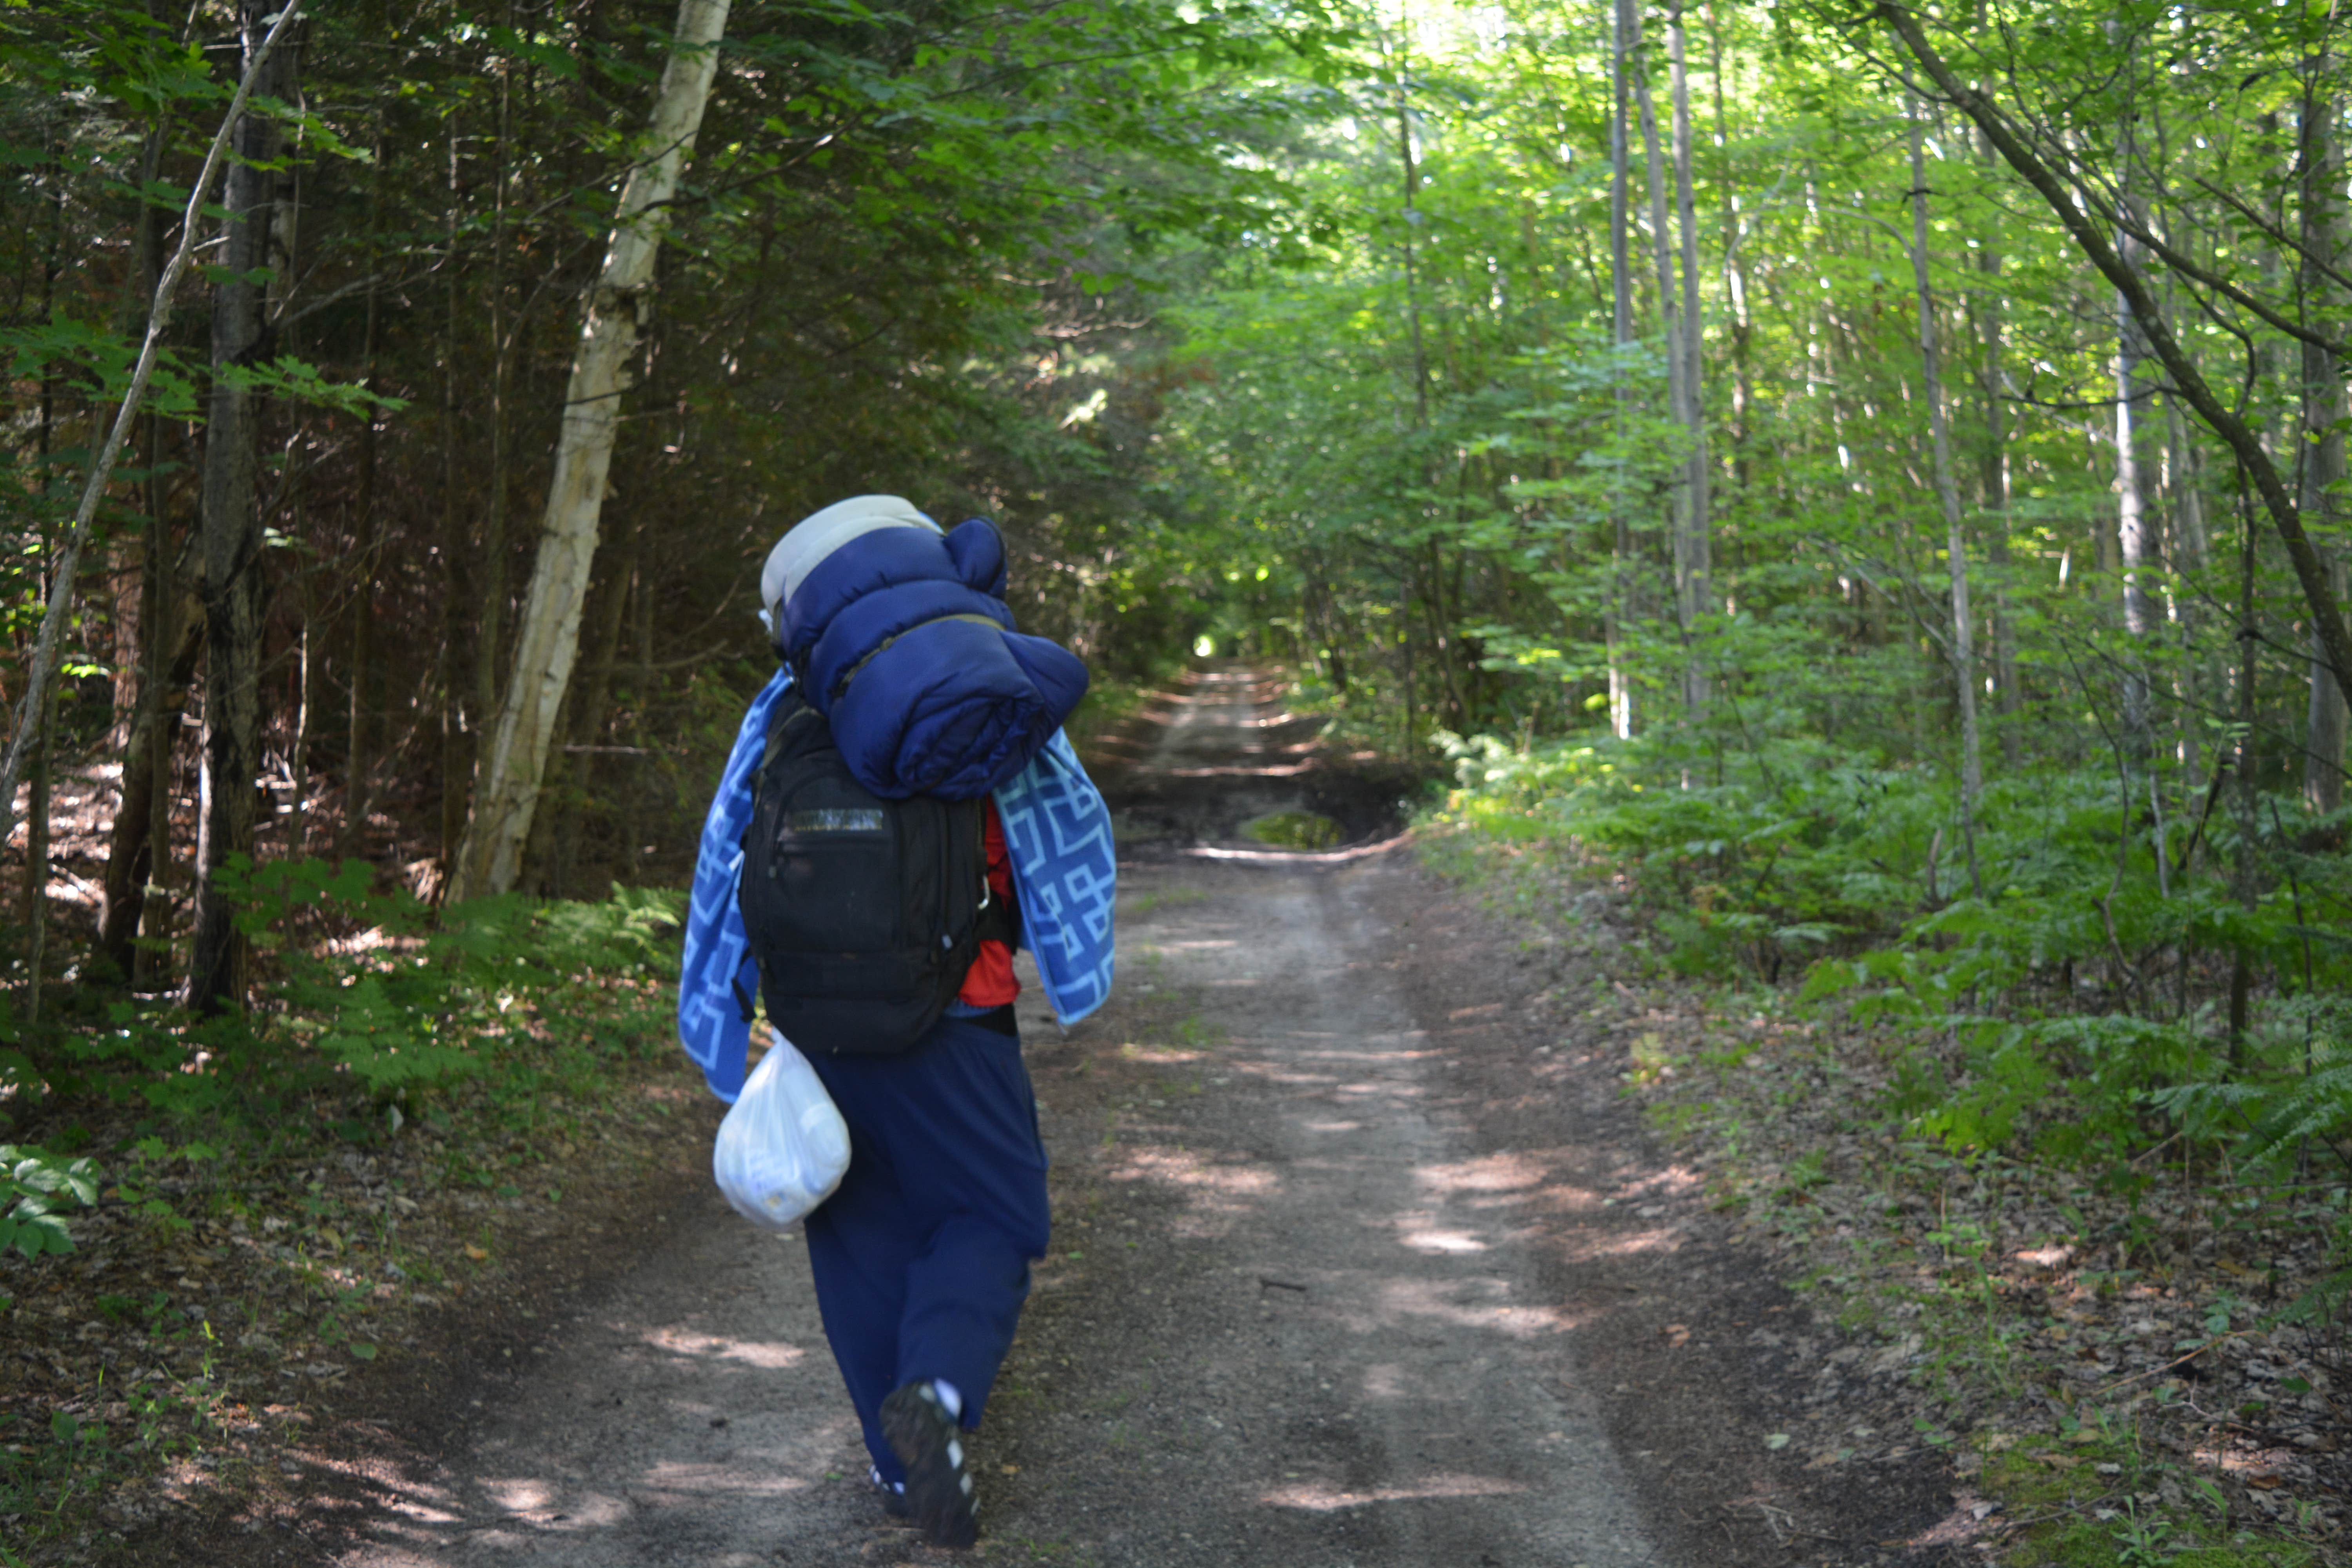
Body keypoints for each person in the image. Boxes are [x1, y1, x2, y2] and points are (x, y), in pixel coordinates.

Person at [677, 495, 1116, 1549]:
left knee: (862, 1239)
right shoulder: (972, 681)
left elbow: (722, 868)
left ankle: (894, 1472)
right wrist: (1072, 965)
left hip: (818, 1029)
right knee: (993, 1219)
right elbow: (1063, 828)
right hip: (960, 1017)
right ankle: (938, 1396)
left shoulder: (785, 711)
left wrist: (722, 1016)